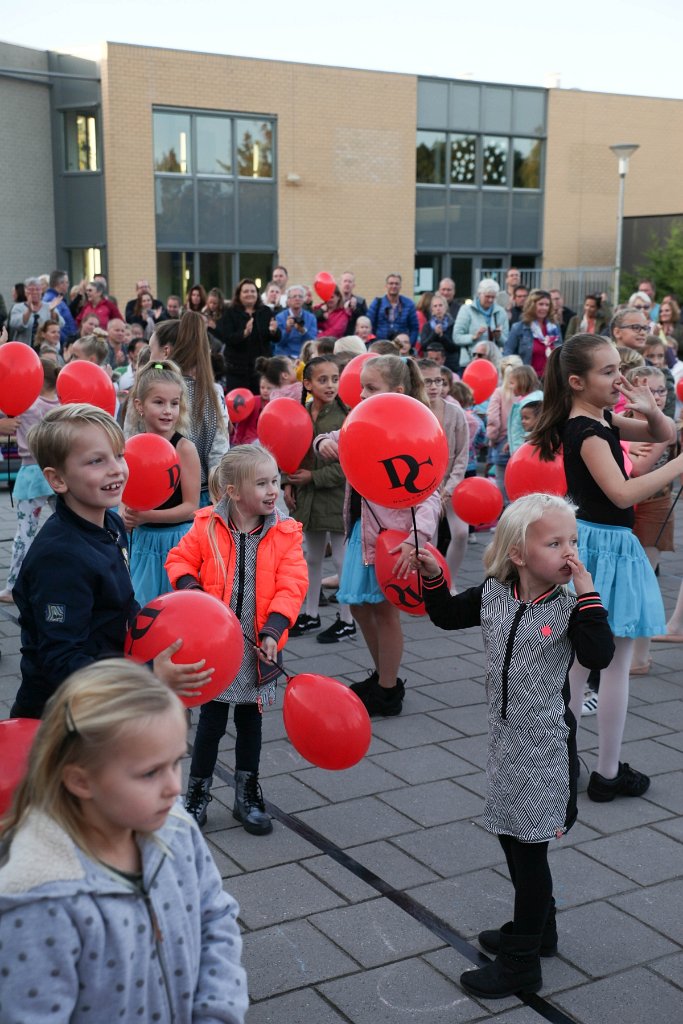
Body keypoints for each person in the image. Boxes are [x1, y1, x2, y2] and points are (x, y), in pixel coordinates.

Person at [418, 493, 613, 998]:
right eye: (555, 542)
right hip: (505, 744)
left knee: (528, 856)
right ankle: (539, 932)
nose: (570, 552)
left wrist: (589, 595)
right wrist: (433, 573)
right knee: (511, 838)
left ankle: (522, 962)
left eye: (573, 540)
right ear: (518, 554)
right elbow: (443, 615)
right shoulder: (494, 595)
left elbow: (599, 653)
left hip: (546, 751)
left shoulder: (569, 606)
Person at [0, 659, 248, 1024]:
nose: (175, 787)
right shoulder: (41, 900)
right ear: (80, 781)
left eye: (176, 762)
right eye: (150, 773)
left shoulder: (175, 827)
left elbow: (215, 916)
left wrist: (217, 1011)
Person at [530, 333, 683, 801]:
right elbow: (623, 493)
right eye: (608, 371)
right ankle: (607, 772)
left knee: (581, 663)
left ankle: (564, 762)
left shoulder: (599, 419)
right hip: (605, 549)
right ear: (577, 381)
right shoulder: (588, 431)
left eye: (619, 367)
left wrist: (650, 407)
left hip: (594, 545)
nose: (619, 377)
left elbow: (665, 435)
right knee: (610, 664)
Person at [10, 404, 213, 720]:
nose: (116, 468)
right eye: (96, 461)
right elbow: (62, 661)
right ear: (57, 479)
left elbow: (123, 603)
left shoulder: (113, 525)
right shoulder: (60, 559)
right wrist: (148, 675)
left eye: (119, 455)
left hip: (110, 695)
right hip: (65, 719)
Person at [166, 446, 307, 833]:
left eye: (275, 480)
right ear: (233, 491)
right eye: (261, 483)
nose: (273, 490)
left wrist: (275, 629)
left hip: (259, 648)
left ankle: (247, 793)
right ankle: (196, 793)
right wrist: (191, 589)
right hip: (215, 647)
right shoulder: (206, 526)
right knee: (210, 722)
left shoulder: (284, 531)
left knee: (250, 722)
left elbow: (292, 584)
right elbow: (178, 560)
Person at [315, 355, 440, 716]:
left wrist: (417, 538)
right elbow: (328, 437)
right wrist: (322, 443)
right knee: (358, 604)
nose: (363, 394)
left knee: (384, 612)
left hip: (393, 541)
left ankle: (388, 689)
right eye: (362, 387)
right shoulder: (362, 420)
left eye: (372, 388)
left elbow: (428, 494)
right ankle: (382, 674)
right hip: (361, 532)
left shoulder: (411, 432)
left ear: (397, 392)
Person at [283, 357, 355, 643]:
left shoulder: (346, 416)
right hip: (308, 499)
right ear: (308, 384)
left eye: (335, 379)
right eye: (323, 380)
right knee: (311, 557)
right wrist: (289, 483)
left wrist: (312, 478)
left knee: (340, 558)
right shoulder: (301, 412)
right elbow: (293, 451)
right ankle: (311, 613)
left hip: (336, 497)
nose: (330, 385)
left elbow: (347, 465)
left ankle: (347, 619)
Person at [121, 361, 201, 607]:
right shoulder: (131, 448)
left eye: (174, 404)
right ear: (140, 406)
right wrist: (125, 513)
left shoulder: (184, 448)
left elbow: (191, 507)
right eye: (159, 402)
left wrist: (147, 516)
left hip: (177, 543)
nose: (168, 410)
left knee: (176, 609)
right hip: (144, 542)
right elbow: (125, 494)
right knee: (142, 608)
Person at [622, 365, 678, 675]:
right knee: (629, 580)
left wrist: (621, 447)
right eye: (649, 389)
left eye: (661, 390)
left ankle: (640, 657)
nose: (656, 395)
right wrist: (625, 445)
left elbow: (639, 469)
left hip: (654, 507)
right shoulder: (626, 423)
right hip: (626, 505)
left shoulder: (665, 424)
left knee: (643, 580)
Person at [148, 314, 229, 505]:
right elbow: (219, 452)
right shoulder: (212, 391)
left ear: (166, 351)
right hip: (204, 494)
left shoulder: (154, 393)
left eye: (150, 349)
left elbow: (135, 441)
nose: (149, 356)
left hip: (163, 492)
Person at [0, 359, 60, 602]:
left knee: (25, 531)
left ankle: (13, 586)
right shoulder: (62, 403)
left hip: (31, 472)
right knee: (66, 525)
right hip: (58, 471)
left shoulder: (27, 404)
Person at [418, 358, 469, 582]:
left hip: (451, 485)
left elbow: (462, 455)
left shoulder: (455, 412)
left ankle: (450, 579)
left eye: (438, 381)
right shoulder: (414, 410)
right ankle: (431, 583)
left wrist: (449, 488)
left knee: (461, 532)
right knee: (430, 537)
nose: (434, 386)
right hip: (423, 487)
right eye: (428, 381)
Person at [216, 278, 280, 393]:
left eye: (252, 291)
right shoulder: (230, 312)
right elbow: (226, 337)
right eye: (245, 291)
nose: (249, 294)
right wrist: (244, 333)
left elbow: (276, 338)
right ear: (239, 294)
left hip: (261, 369)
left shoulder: (265, 311)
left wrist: (274, 331)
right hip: (237, 370)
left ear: (257, 294)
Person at [486, 355, 523, 504]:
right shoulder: (525, 394)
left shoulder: (498, 392)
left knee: (501, 480)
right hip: (520, 442)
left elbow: (493, 418)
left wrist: (492, 437)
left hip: (501, 442)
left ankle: (504, 516)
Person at [503, 289, 561, 378]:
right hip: (527, 380)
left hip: (550, 379)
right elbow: (507, 354)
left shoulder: (554, 327)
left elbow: (560, 350)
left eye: (547, 305)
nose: (544, 308)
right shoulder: (519, 327)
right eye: (541, 304)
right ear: (532, 306)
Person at [453, 279, 509, 369]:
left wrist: (499, 336)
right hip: (470, 362)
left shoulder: (501, 312)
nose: (490, 300)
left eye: (493, 297)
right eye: (487, 296)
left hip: (494, 364)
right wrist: (473, 337)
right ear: (479, 294)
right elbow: (456, 337)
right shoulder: (466, 310)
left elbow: (506, 343)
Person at [9, 276, 64, 345]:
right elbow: (15, 325)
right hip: (25, 349)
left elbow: (60, 325)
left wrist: (52, 312)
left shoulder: (49, 306)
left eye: (37, 289)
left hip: (46, 350)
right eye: (31, 290)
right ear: (25, 291)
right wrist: (28, 311)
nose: (35, 292)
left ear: (41, 291)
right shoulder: (18, 307)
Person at [367, 274, 419, 347]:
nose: (394, 286)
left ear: (400, 286)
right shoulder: (377, 303)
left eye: (396, 284)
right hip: (380, 347)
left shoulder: (408, 304)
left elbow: (414, 328)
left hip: (401, 347)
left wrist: (409, 345)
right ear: (386, 286)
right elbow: (369, 326)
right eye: (391, 283)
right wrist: (373, 344)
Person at [418, 292, 459, 370]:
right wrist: (435, 333)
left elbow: (455, 347)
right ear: (432, 309)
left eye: (440, 305)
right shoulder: (427, 326)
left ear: (445, 307)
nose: (438, 308)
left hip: (450, 365)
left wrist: (442, 336)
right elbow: (423, 346)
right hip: (431, 365)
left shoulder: (453, 325)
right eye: (435, 306)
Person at [274, 285, 318, 357]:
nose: (297, 299)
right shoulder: (280, 317)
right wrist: (287, 330)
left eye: (300, 296)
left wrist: (303, 331)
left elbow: (313, 342)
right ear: (288, 300)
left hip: (304, 356)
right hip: (285, 356)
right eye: (294, 296)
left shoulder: (311, 317)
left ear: (303, 300)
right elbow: (278, 343)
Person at [42, 269, 78, 344]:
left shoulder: (58, 299)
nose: (68, 285)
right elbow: (53, 323)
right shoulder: (52, 300)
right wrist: (65, 341)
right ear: (60, 284)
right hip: (62, 343)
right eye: (67, 282)